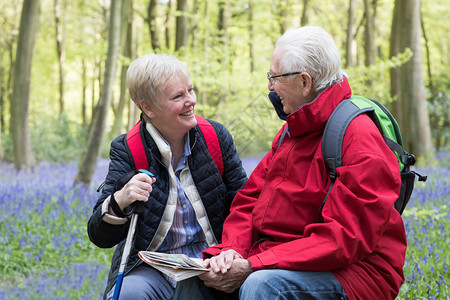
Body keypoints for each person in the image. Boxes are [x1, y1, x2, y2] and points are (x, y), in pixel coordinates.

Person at [174, 26, 407, 300]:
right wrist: (231, 252)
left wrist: (254, 265)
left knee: (262, 286)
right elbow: (249, 202)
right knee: (195, 281)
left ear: (305, 82)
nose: (270, 86)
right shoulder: (290, 131)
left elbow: (343, 239)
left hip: (357, 272)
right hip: (281, 258)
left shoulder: (359, 141)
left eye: (275, 77)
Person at [87, 53, 247, 300]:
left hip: (211, 262)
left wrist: (233, 252)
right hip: (154, 270)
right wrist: (120, 200)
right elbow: (99, 235)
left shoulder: (215, 136)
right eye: (177, 96)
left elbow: (244, 203)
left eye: (190, 90)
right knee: (129, 295)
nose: (190, 101)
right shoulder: (128, 149)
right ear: (148, 107)